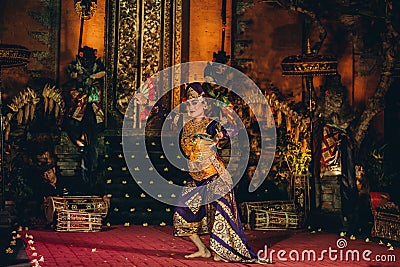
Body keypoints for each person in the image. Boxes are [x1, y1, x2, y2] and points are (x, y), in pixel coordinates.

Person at [173, 83, 267, 263]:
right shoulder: (186, 126)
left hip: (215, 176)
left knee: (221, 214)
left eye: (195, 103)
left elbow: (233, 130)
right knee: (182, 211)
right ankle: (203, 249)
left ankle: (222, 250)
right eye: (189, 103)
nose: (191, 107)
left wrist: (220, 135)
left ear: (205, 104)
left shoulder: (212, 125)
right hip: (196, 177)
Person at [64, 46, 105, 194]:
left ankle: (91, 174)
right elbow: (73, 80)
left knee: (92, 144)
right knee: (72, 126)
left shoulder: (97, 69)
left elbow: (100, 78)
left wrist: (92, 79)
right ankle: (82, 146)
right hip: (80, 109)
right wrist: (79, 79)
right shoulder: (76, 68)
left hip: (92, 110)